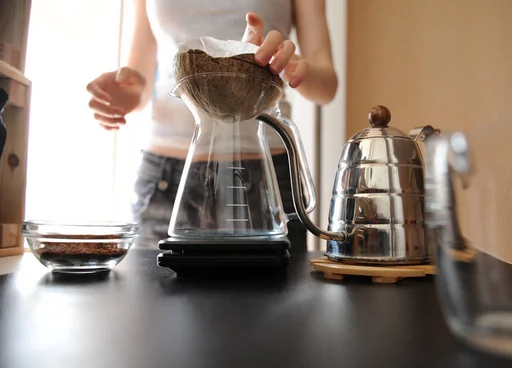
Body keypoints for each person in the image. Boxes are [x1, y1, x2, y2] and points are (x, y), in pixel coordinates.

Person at [85, 0, 338, 251]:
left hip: (262, 178)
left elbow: (326, 85)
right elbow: (140, 78)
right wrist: (125, 92)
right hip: (165, 180)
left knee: (276, 291)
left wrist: (291, 68)